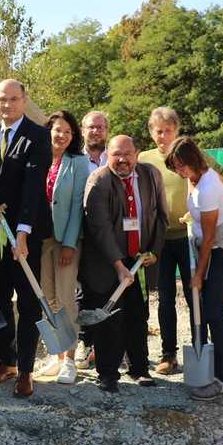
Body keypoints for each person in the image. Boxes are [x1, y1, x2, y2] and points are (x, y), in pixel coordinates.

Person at [0, 79, 52, 398]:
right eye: (2, 100)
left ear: (24, 100)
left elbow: (33, 187)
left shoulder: (38, 135)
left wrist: (22, 232)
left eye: (13, 99)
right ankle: (6, 361)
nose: (7, 104)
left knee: (29, 303)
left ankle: (27, 370)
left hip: (24, 235)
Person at [165, 136, 223, 401]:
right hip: (213, 248)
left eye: (181, 166)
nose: (179, 172)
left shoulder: (209, 186)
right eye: (175, 167)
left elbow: (210, 237)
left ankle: (222, 378)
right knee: (216, 311)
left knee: (212, 312)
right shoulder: (195, 179)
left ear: (193, 159)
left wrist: (198, 275)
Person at [81, 135, 166, 393]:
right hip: (107, 261)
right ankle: (107, 375)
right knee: (109, 318)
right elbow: (100, 228)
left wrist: (153, 251)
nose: (122, 160)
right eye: (116, 154)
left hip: (138, 258)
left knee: (138, 315)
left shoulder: (150, 175)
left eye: (128, 154)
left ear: (137, 153)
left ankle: (139, 369)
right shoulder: (98, 180)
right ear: (108, 154)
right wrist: (119, 265)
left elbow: (161, 217)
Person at [137, 107, 196, 375]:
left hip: (187, 237)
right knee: (165, 299)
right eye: (158, 131)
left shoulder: (187, 153)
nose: (163, 136)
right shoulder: (144, 159)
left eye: (168, 131)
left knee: (195, 295)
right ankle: (168, 354)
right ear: (151, 133)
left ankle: (199, 348)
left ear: (177, 130)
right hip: (159, 240)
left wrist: (195, 209)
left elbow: (214, 179)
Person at [34, 110, 88, 385]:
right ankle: (56, 355)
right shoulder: (39, 159)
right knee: (48, 298)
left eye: (68, 132)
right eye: (58, 130)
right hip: (41, 240)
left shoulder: (78, 163)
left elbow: (78, 206)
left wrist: (69, 244)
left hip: (65, 239)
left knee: (66, 300)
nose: (62, 136)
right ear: (49, 130)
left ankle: (69, 358)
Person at [74, 110, 109, 369]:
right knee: (84, 290)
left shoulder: (117, 156)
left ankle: (110, 345)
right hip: (81, 234)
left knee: (110, 288)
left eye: (100, 127)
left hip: (110, 234)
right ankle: (85, 344)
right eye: (91, 127)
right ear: (83, 130)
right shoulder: (74, 159)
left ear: (106, 130)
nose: (95, 131)